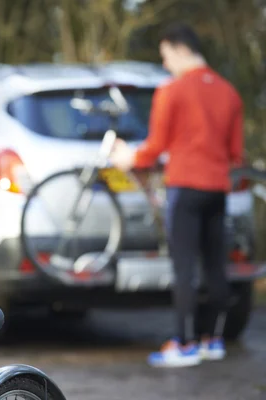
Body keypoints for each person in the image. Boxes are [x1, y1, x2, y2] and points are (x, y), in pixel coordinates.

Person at [110, 23, 244, 368]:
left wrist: (129, 159)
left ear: (180, 49)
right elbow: (236, 153)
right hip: (217, 189)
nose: (166, 63)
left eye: (166, 56)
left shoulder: (172, 90)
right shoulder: (230, 92)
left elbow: (154, 148)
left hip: (185, 187)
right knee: (216, 266)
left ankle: (183, 345)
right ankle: (212, 340)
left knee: (184, 269)